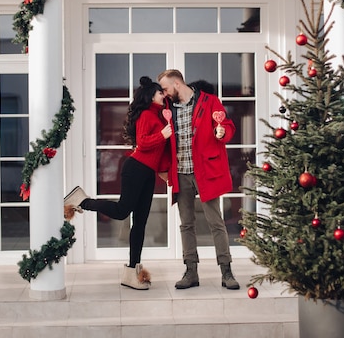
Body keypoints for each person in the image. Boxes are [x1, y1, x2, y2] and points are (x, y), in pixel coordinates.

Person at [64, 76, 172, 290]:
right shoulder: (146, 115)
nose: (164, 95)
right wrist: (162, 134)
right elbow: (143, 143)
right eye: (160, 92)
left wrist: (163, 171)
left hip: (148, 173)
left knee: (140, 222)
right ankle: (82, 200)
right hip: (136, 168)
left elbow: (158, 149)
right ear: (151, 95)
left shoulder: (158, 115)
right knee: (123, 211)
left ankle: (132, 272)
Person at [157, 69, 240, 290]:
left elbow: (227, 126)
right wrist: (163, 169)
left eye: (165, 89)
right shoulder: (167, 109)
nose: (164, 94)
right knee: (186, 224)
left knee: (216, 223)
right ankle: (191, 271)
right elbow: (164, 142)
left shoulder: (209, 101)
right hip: (180, 172)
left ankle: (226, 271)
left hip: (205, 171)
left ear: (176, 84)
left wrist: (222, 133)